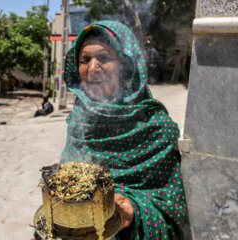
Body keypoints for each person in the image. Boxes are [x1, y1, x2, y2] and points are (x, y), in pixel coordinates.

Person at [60, 21, 187, 239]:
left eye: (105, 58)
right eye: (85, 60)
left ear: (125, 65)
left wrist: (133, 210)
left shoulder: (155, 128)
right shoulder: (79, 120)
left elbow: (173, 210)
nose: (92, 68)